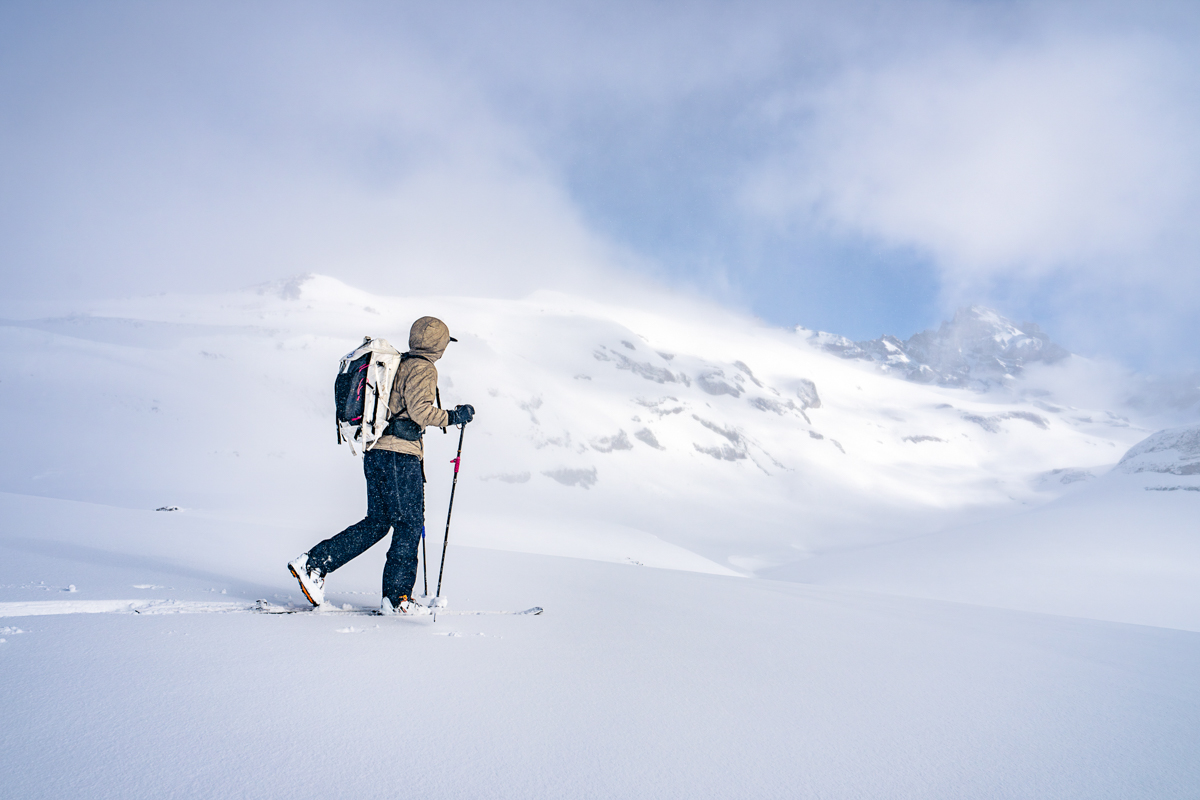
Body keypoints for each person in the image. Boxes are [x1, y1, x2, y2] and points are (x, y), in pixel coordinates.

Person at [288, 316, 474, 614]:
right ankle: (398, 599)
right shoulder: (424, 368)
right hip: (400, 457)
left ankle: (314, 563)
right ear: (438, 345)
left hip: (376, 453)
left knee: (377, 522)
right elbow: (420, 411)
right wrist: (453, 417)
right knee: (408, 524)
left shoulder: (397, 364)